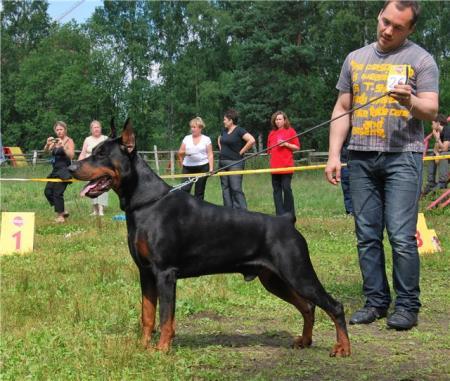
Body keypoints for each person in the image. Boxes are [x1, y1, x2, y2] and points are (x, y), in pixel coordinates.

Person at [325, 0, 439, 330]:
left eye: (398, 27)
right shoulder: (354, 59)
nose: (388, 30)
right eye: (385, 21)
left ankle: (406, 306)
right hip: (359, 157)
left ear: (410, 29)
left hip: (403, 157)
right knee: (366, 234)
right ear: (379, 15)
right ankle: (375, 301)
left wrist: (411, 101)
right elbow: (342, 108)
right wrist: (334, 155)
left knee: (402, 236)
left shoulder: (421, 60)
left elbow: (431, 110)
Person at [218, 109, 255, 209]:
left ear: (231, 120)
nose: (223, 121)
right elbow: (220, 138)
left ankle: (242, 212)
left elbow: (251, 140)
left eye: (225, 119)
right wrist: (222, 150)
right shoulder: (224, 130)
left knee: (235, 188)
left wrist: (241, 152)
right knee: (225, 188)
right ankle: (228, 211)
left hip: (235, 163)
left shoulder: (239, 130)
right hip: (222, 163)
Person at [267, 111, 300, 216]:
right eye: (276, 119)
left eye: (280, 119)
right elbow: (269, 150)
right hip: (274, 167)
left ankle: (289, 214)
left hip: (286, 166)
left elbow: (297, 147)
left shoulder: (290, 131)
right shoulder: (272, 133)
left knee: (286, 188)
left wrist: (285, 144)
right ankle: (279, 215)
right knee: (276, 191)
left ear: (285, 120)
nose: (278, 121)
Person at [44, 121, 75, 223]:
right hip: (55, 170)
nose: (59, 132)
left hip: (65, 170)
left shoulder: (69, 141)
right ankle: (62, 210)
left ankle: (60, 216)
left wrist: (63, 146)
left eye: (61, 129)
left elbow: (71, 155)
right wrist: (47, 144)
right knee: (48, 192)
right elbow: (46, 152)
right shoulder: (54, 141)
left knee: (57, 193)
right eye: (57, 130)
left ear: (65, 130)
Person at [177, 117, 214, 200]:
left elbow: (210, 154)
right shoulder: (186, 138)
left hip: (203, 167)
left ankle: (198, 211)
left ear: (200, 128)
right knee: (184, 189)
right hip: (188, 167)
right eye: (191, 127)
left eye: (194, 127)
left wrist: (211, 168)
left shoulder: (206, 139)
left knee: (199, 191)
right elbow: (180, 152)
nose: (192, 129)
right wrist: (185, 154)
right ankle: (184, 209)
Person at [78, 120, 109, 215]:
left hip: (102, 167)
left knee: (102, 186)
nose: (96, 129)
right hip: (90, 168)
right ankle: (95, 209)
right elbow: (83, 153)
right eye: (94, 127)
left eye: (98, 127)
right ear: (91, 129)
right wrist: (79, 165)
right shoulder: (87, 139)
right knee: (91, 187)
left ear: (101, 128)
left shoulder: (105, 138)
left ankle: (101, 210)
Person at [422, 114, 449, 194]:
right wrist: (436, 153)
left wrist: (437, 138)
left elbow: (445, 148)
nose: (431, 125)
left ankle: (442, 182)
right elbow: (435, 149)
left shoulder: (447, 130)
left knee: (443, 153)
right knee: (432, 155)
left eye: (432, 123)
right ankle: (431, 182)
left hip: (447, 152)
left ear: (438, 123)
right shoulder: (439, 132)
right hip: (446, 152)